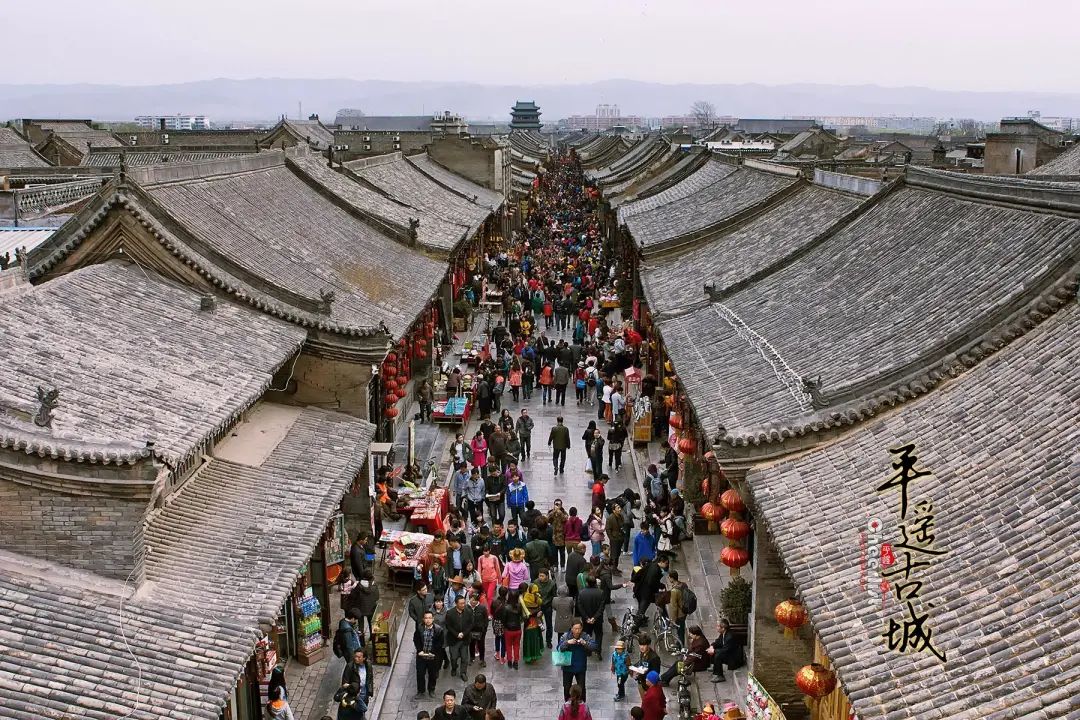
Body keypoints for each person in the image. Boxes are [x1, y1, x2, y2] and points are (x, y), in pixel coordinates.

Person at [557, 621, 598, 702]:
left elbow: (594, 646)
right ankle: (567, 705)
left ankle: (582, 705)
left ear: (581, 628)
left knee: (582, 688)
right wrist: (567, 642)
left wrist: (585, 643)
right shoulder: (565, 636)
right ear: (572, 629)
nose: (577, 631)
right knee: (567, 687)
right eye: (575, 629)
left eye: (579, 628)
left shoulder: (585, 636)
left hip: (580, 667)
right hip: (567, 666)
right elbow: (559, 648)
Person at [413, 610, 444, 700]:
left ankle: (431, 690)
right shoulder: (420, 628)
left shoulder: (438, 630)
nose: (428, 620)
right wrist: (419, 650)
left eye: (430, 618)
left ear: (433, 619)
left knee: (432, 674)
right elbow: (416, 639)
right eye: (426, 618)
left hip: (433, 657)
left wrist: (433, 652)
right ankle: (421, 691)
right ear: (423, 619)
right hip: (421, 656)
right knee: (420, 674)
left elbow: (440, 643)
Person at [575, 575, 606, 659]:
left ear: (587, 583)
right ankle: (598, 651)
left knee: (587, 634)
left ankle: (588, 651)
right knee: (599, 635)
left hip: (586, 620)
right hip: (598, 619)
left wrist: (586, 618)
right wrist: (594, 618)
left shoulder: (581, 593)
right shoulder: (601, 592)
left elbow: (580, 606)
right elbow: (601, 607)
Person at [445, 594, 473, 682]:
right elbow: (448, 626)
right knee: (454, 657)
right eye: (461, 603)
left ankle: (463, 673)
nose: (463, 605)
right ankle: (454, 668)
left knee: (465, 658)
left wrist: (464, 634)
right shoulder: (450, 613)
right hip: (454, 639)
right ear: (456, 604)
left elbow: (471, 624)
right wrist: (456, 634)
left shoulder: (468, 611)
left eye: (464, 603)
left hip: (464, 639)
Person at [500, 586, 524, 669]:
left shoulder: (506, 608)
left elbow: (503, 619)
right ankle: (516, 661)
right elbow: (521, 617)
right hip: (517, 629)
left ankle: (509, 661)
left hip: (508, 630)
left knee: (508, 646)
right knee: (517, 646)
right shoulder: (519, 606)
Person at [521, 582, 545, 663]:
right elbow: (541, 603)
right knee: (534, 639)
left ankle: (528, 656)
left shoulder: (524, 597)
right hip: (535, 623)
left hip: (527, 623)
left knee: (528, 640)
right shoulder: (536, 598)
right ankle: (534, 656)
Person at [467, 589, 490, 667]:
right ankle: (472, 657)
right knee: (471, 645)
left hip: (480, 631)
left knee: (481, 646)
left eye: (475, 600)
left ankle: (482, 659)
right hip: (470, 631)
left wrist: (484, 629)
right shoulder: (466, 608)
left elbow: (486, 620)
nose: (474, 602)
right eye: (472, 600)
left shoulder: (482, 608)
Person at [667, 571, 688, 645]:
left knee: (680, 631)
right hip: (684, 611)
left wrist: (673, 619)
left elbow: (674, 607)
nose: (668, 579)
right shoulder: (684, 584)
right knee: (681, 629)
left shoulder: (674, 591)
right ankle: (679, 643)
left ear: (672, 578)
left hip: (679, 614)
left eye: (669, 577)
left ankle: (681, 646)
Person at [548, 499, 570, 569]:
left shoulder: (564, 512)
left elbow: (565, 519)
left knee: (562, 553)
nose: (557, 506)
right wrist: (554, 511)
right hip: (553, 535)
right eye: (556, 504)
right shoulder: (551, 512)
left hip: (561, 536)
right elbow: (547, 519)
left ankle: (562, 565)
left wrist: (559, 512)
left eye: (559, 504)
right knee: (554, 552)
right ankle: (555, 565)